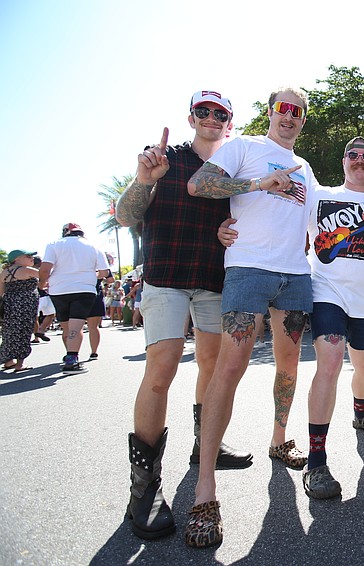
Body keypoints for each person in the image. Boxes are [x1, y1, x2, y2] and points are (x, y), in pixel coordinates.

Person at [220, 136, 364, 500]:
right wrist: (225, 227)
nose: (359, 160)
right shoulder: (318, 195)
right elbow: (273, 209)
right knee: (331, 361)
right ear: (343, 162)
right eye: (353, 155)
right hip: (326, 292)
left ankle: (360, 410)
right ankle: (317, 461)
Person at [115, 90, 253, 540]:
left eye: (221, 113)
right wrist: (142, 179)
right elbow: (125, 215)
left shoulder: (235, 164)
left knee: (213, 369)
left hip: (214, 281)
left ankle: (203, 446)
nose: (212, 118)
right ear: (191, 116)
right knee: (162, 370)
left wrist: (229, 231)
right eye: (203, 111)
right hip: (166, 276)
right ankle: (144, 487)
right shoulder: (165, 159)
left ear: (230, 123)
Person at [185, 86, 317, 548]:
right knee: (230, 368)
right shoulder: (243, 147)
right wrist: (257, 185)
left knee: (289, 365)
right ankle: (205, 487)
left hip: (295, 276)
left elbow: (319, 222)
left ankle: (279, 439)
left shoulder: (308, 169)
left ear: (304, 120)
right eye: (283, 108)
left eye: (298, 112)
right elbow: (199, 184)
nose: (290, 117)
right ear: (270, 112)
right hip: (248, 270)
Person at [39, 223, 109, 375]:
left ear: (66, 232)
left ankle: (70, 354)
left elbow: (45, 269)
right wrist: (89, 275)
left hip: (59, 290)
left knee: (66, 327)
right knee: (76, 327)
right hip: (84, 289)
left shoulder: (54, 244)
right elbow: (104, 272)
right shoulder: (93, 246)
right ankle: (72, 360)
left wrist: (42, 284)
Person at [0, 250, 40, 372]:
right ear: (16, 259)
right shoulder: (27, 270)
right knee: (24, 331)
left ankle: (8, 360)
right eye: (28, 256)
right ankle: (20, 364)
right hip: (25, 304)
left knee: (9, 333)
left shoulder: (4, 272)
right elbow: (47, 276)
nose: (31, 258)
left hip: (9, 304)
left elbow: (1, 292)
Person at [85, 269, 114, 360]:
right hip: (94, 293)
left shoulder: (72, 258)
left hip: (74, 293)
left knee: (75, 326)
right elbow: (110, 280)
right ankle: (94, 352)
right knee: (93, 327)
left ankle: (72, 354)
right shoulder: (99, 261)